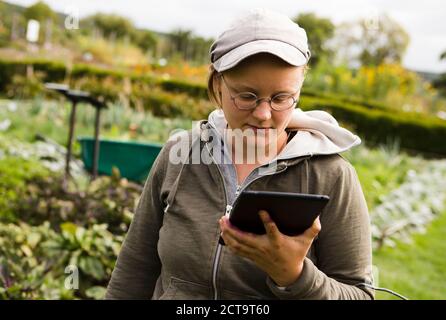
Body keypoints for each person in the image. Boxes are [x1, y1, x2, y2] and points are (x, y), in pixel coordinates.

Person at [105, 8, 374, 300]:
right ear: (217, 86)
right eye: (246, 96)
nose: (263, 114)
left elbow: (359, 294)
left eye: (281, 98)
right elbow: (135, 269)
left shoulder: (331, 176)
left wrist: (295, 276)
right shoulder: (179, 156)